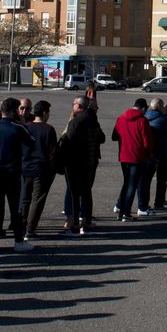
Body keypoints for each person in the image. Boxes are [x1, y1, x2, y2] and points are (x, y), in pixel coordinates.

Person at [0, 97, 29, 250]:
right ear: (15, 111)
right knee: (16, 208)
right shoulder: (18, 128)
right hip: (13, 173)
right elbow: (31, 142)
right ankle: (19, 241)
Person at [59, 96, 105, 234]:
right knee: (86, 192)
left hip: (75, 162)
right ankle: (87, 222)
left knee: (74, 193)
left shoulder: (76, 121)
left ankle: (74, 224)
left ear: (79, 106)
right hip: (90, 162)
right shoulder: (93, 121)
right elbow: (102, 138)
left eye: (74, 104)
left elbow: (68, 140)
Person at [16, 101, 57, 241]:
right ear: (45, 113)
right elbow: (52, 152)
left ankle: (21, 226)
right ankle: (30, 229)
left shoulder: (25, 127)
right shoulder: (48, 129)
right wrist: (53, 169)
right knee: (37, 199)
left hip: (25, 167)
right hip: (41, 168)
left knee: (25, 198)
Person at [111, 98, 153, 221]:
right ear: (144, 108)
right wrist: (149, 154)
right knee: (132, 184)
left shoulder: (121, 118)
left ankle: (120, 208)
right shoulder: (142, 121)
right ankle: (125, 212)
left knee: (126, 183)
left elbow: (114, 136)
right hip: (138, 157)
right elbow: (147, 142)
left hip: (124, 155)